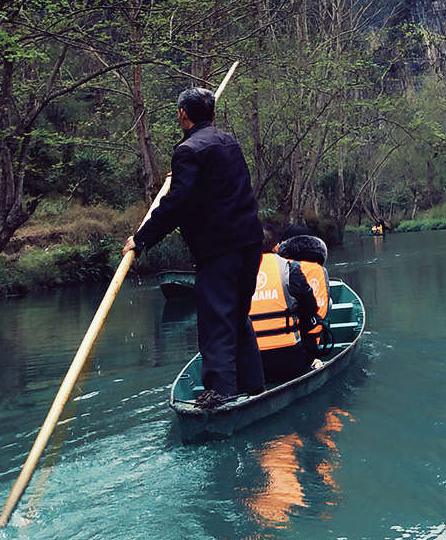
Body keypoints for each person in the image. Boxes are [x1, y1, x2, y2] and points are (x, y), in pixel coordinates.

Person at [124, 86, 264, 411]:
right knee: (238, 316)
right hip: (250, 244)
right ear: (213, 115)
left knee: (217, 322)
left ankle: (222, 397)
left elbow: (176, 204)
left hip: (219, 250)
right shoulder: (229, 142)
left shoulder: (189, 151)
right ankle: (254, 388)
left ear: (182, 116)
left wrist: (142, 238)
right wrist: (186, 175)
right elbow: (213, 189)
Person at [249, 225, 322, 385]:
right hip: (289, 364)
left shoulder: (238, 271)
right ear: (277, 246)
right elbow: (311, 308)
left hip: (250, 367)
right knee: (311, 324)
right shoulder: (290, 268)